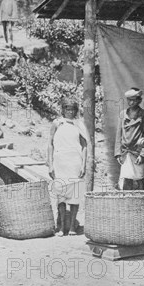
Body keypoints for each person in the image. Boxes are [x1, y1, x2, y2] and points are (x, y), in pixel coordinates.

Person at [47, 98, 89, 236]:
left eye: (72, 109)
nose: (70, 112)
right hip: (60, 163)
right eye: (67, 109)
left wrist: (83, 164)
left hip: (74, 163)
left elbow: (84, 146)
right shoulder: (57, 123)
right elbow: (50, 144)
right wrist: (50, 164)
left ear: (76, 111)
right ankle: (61, 227)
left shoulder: (79, 125)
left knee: (74, 196)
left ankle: (72, 227)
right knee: (60, 195)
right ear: (63, 110)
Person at [115, 88, 144, 190]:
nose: (131, 102)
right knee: (126, 179)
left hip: (137, 152)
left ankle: (140, 203)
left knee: (139, 178)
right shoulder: (123, 114)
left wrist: (143, 154)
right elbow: (119, 134)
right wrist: (118, 153)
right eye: (129, 100)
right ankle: (127, 202)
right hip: (125, 153)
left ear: (139, 100)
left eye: (134, 100)